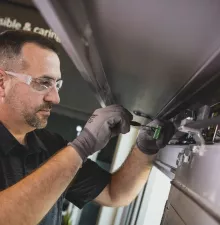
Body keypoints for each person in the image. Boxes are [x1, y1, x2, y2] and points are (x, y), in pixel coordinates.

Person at [0, 30, 175, 225]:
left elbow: (114, 193)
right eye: (43, 83)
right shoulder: (65, 156)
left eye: (57, 85)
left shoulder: (50, 146)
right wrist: (81, 147)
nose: (55, 98)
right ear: (2, 83)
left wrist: (145, 149)